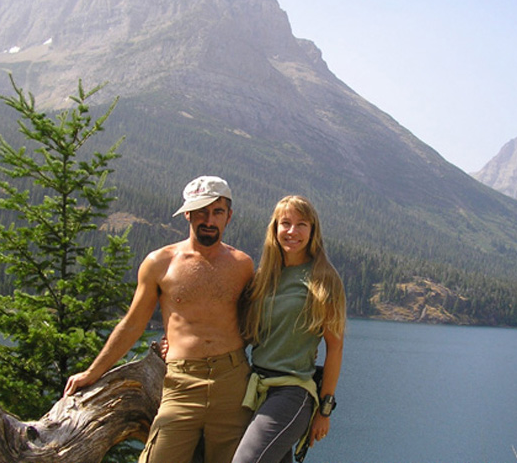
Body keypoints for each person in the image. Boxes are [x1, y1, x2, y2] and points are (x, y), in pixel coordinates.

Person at [64, 175, 254, 463]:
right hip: (181, 382)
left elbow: (256, 321)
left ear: (229, 216)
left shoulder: (242, 265)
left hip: (233, 380)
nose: (209, 220)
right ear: (187, 213)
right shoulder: (160, 263)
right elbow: (132, 324)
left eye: (217, 212)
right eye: (201, 211)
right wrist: (92, 373)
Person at [232, 195, 346, 463]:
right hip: (255, 388)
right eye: (286, 223)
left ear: (313, 230)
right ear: (275, 228)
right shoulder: (264, 276)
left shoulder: (323, 279)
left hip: (292, 393)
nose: (292, 231)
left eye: (301, 224)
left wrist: (325, 410)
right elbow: (243, 333)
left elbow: (335, 347)